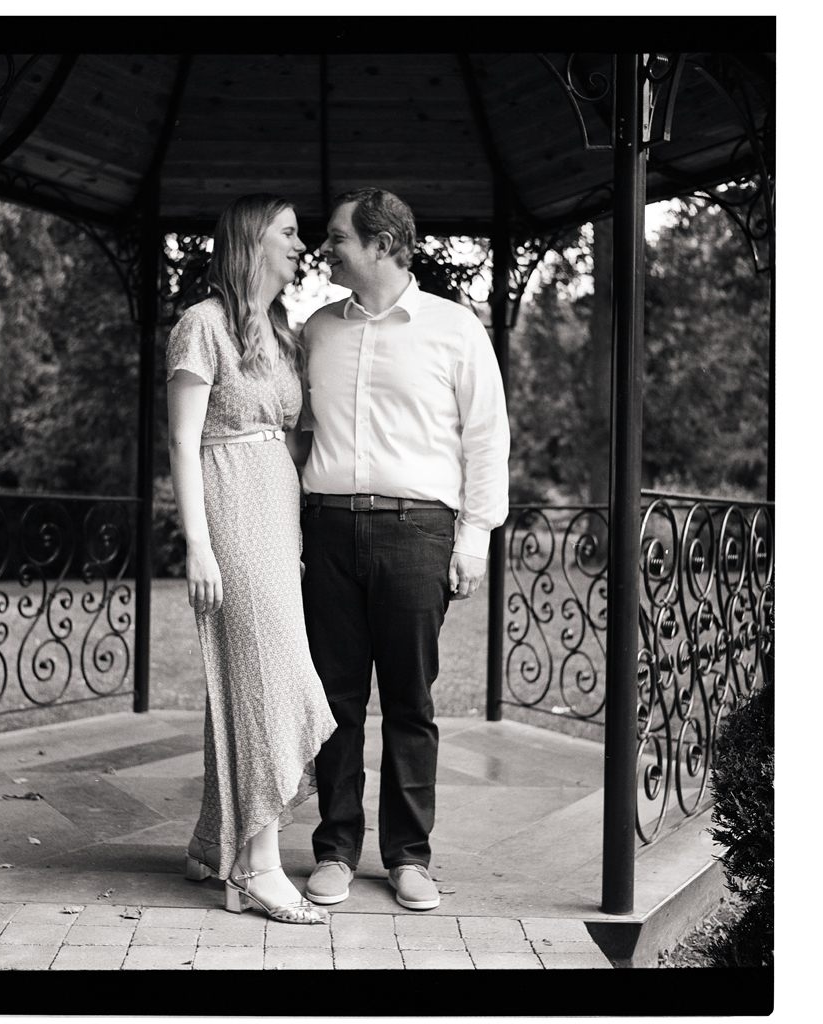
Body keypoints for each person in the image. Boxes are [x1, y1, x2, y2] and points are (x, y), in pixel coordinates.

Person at [298, 188, 510, 911]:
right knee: (335, 701)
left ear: (382, 244)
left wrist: (475, 540)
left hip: (419, 532)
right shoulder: (317, 330)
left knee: (410, 704)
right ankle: (333, 851)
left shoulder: (454, 330)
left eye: (337, 238)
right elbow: (292, 432)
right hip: (325, 531)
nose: (325, 249)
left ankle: (409, 859)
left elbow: (487, 438)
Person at [166, 193, 336, 925]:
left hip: (277, 512)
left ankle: (221, 842)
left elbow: (290, 438)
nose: (304, 246)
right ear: (250, 241)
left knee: (247, 679)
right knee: (276, 678)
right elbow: (182, 442)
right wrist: (197, 544)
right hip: (230, 507)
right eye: (291, 232)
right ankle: (262, 867)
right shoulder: (199, 326)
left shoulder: (280, 328)